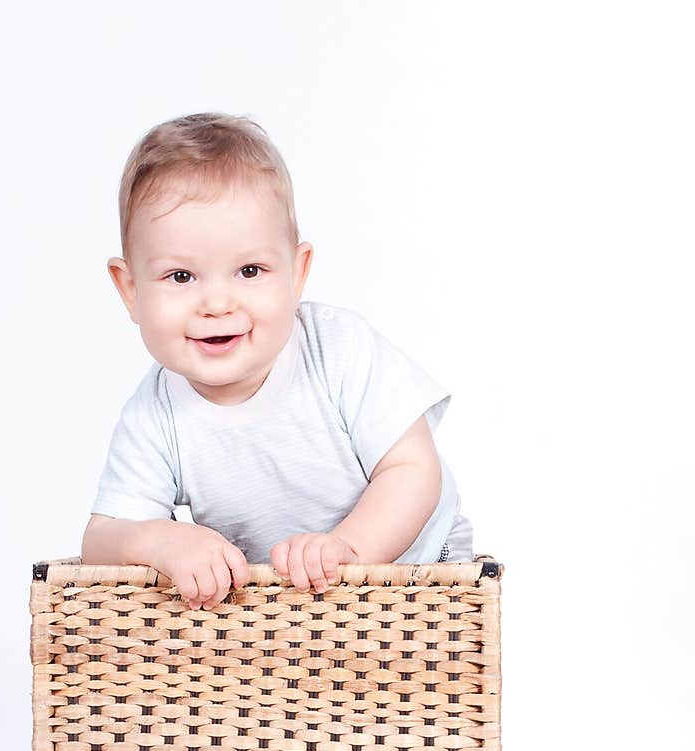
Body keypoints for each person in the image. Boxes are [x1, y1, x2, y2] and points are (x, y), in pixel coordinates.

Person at [82, 111, 474, 610]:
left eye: (250, 270)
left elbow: (412, 469)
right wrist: (159, 541)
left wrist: (348, 549)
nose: (217, 303)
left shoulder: (337, 349)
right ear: (130, 291)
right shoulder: (155, 413)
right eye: (181, 277)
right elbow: (101, 536)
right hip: (282, 614)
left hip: (417, 574)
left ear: (296, 273)